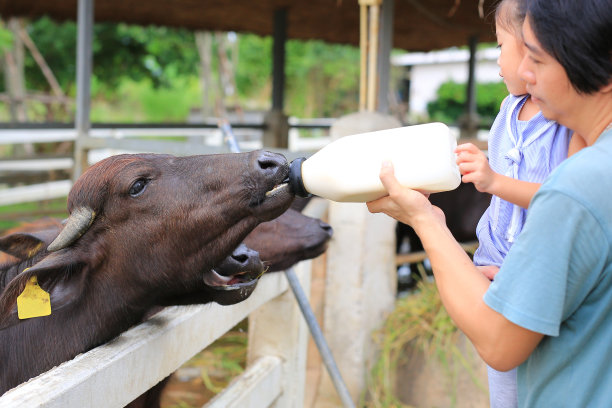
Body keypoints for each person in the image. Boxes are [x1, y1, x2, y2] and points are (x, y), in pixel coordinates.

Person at [367, 0, 612, 406]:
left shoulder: (576, 190)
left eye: (538, 58)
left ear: (602, 69)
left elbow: (499, 343)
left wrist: (425, 219)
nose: (527, 76)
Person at [454, 0, 582, 406]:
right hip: (492, 262)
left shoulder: (563, 120)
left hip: (531, 271)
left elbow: (561, 200)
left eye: (500, 47)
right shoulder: (508, 111)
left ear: (534, 51)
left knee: (531, 372)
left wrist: (493, 180)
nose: (499, 61)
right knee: (503, 380)